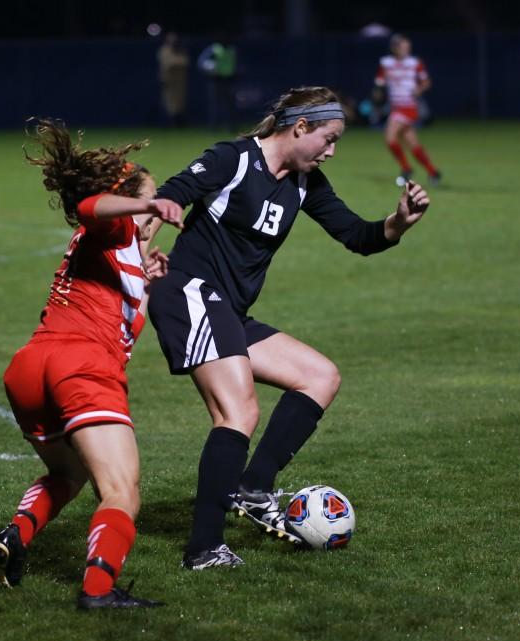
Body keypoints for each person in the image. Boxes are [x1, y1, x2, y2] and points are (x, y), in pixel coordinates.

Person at [141, 86, 430, 570]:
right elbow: (168, 198)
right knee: (239, 412)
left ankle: (253, 489)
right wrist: (140, 253)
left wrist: (398, 222)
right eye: (329, 138)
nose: (331, 150)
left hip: (227, 310)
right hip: (187, 293)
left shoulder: (305, 182)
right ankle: (204, 549)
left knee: (320, 376)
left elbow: (357, 236)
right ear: (300, 128)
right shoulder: (233, 159)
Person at [0, 119, 182, 609]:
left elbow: (116, 315)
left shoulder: (126, 254)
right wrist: (143, 203)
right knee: (122, 491)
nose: (154, 212)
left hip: (32, 368)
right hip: (80, 368)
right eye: (149, 199)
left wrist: (148, 280)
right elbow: (89, 207)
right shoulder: (112, 228)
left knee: (69, 476)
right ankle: (98, 590)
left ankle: (14, 537)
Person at [375, 34, 441, 186]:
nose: (407, 50)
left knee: (390, 138)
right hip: (395, 106)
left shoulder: (414, 62)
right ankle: (433, 172)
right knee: (412, 144)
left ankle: (406, 169)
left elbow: (426, 82)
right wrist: (378, 92)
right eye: (404, 47)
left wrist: (419, 88)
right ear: (395, 48)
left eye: (408, 47)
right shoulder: (386, 62)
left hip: (408, 107)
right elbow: (380, 81)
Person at [198, 36, 237, 131]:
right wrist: (210, 69)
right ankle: (214, 126)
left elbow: (235, 63)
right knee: (215, 105)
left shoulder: (231, 49)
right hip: (215, 80)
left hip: (229, 79)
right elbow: (202, 62)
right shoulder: (214, 49)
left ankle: (229, 126)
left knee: (229, 105)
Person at [157, 32, 189, 127]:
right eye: (171, 39)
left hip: (179, 82)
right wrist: (176, 62)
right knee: (169, 103)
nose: (174, 41)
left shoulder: (180, 50)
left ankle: (178, 123)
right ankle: (167, 123)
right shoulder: (164, 50)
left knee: (179, 103)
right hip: (168, 81)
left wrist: (176, 62)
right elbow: (168, 63)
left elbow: (185, 62)